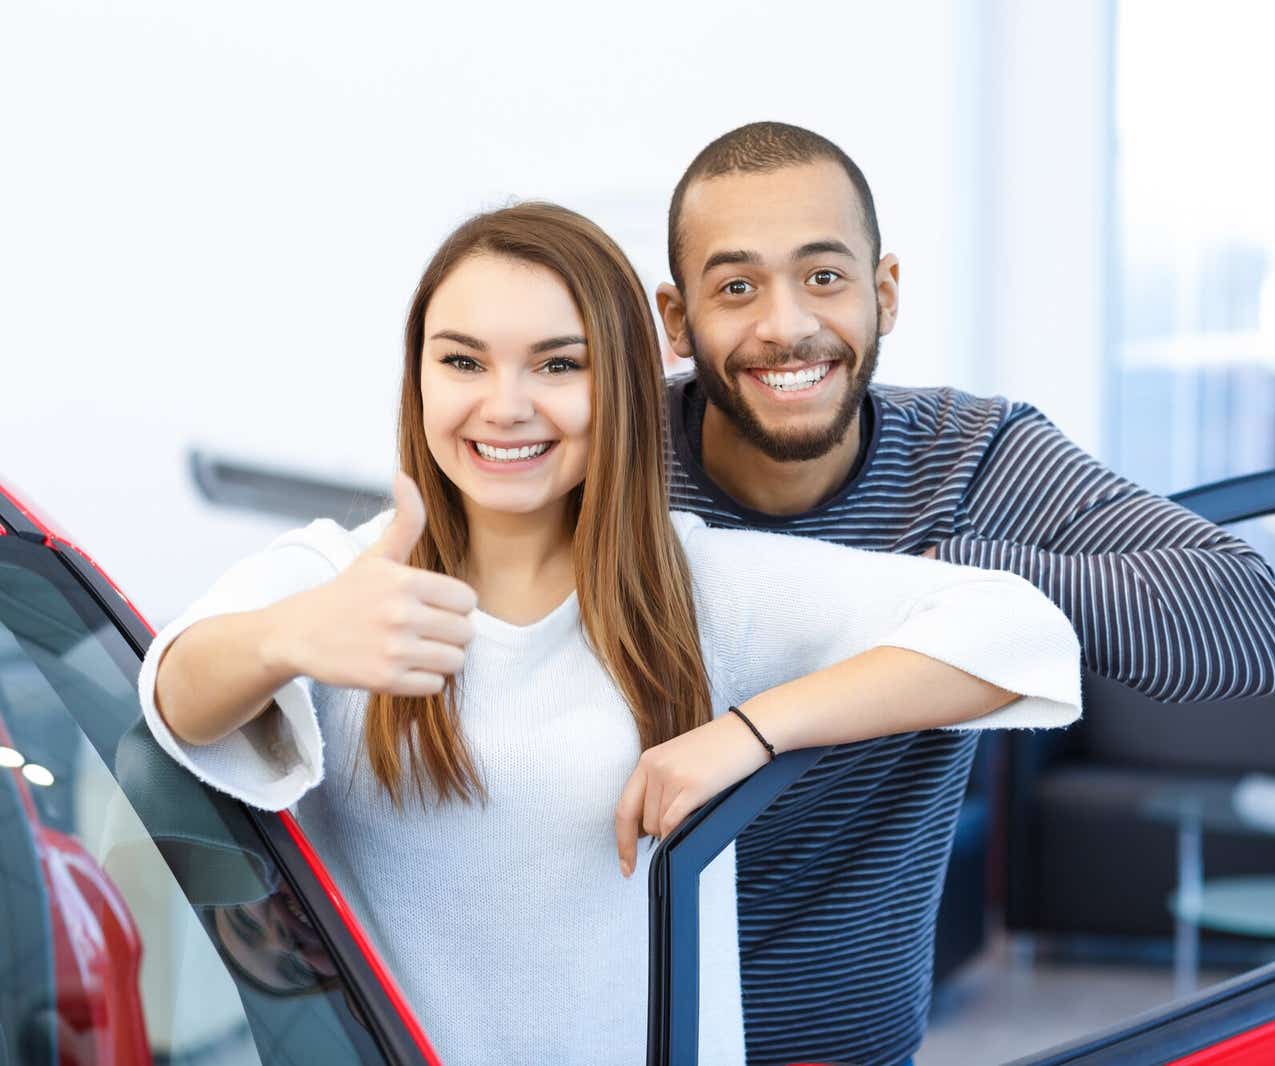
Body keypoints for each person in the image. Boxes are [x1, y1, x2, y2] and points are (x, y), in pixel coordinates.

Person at [135, 202, 1083, 1065]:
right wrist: (286, 641)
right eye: (462, 361)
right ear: (418, 378)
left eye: (558, 363)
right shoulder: (344, 579)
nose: (505, 406)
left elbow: (1016, 630)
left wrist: (751, 733)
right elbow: (172, 695)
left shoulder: (697, 584)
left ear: (621, 384)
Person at [655, 121, 1275, 1066]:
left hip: (848, 1053)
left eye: (825, 277)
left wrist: (950, 590)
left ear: (884, 293)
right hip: (610, 1033)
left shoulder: (971, 458)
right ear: (678, 321)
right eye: (737, 287)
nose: (786, 325)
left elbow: (1247, 627)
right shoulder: (612, 461)